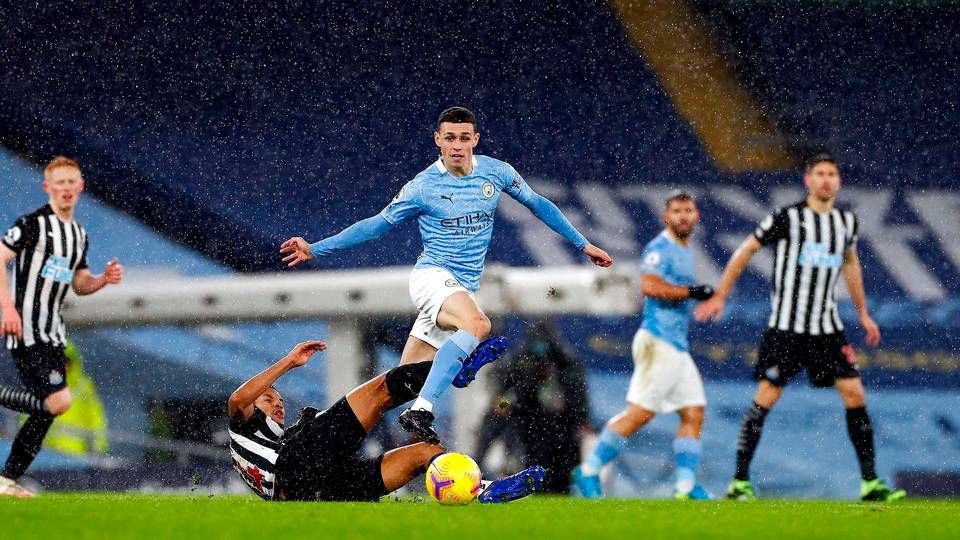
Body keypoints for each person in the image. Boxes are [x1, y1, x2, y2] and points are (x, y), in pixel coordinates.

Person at [280, 107, 613, 443]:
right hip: (432, 278)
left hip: (459, 290)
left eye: (464, 138)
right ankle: (424, 409)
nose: (457, 145)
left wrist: (583, 244)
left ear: (475, 140)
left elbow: (539, 204)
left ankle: (319, 427)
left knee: (395, 387)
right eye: (450, 138)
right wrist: (316, 248)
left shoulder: (496, 173)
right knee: (478, 325)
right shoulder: (423, 186)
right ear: (438, 140)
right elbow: (376, 225)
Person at [694, 154, 906, 502]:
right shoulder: (787, 217)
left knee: (854, 394)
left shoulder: (846, 222)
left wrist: (863, 313)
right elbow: (747, 249)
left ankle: (870, 484)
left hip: (827, 328)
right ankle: (739, 482)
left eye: (832, 174)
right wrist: (720, 295)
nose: (826, 180)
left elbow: (851, 264)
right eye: (819, 174)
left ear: (839, 182)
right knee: (766, 398)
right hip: (786, 329)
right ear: (808, 180)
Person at [227, 340, 544, 502]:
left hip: (310, 492)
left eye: (280, 400)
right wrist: (289, 362)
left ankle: (483, 490)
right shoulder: (244, 423)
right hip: (296, 472)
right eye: (269, 399)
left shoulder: (270, 441)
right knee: (382, 389)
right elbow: (238, 399)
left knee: (425, 452)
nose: (278, 404)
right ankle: (450, 372)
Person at [572, 190, 715, 500]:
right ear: (666, 217)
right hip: (658, 341)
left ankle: (685, 487)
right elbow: (649, 286)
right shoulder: (659, 248)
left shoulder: (685, 250)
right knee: (640, 414)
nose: (683, 216)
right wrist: (690, 292)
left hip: (676, 346)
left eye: (688, 210)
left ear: (696, 216)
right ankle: (588, 470)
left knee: (693, 412)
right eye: (677, 211)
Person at [0, 156, 123, 497]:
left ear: (80, 186)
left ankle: (6, 480)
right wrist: (7, 307)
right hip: (26, 328)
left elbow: (79, 283)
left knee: (48, 409)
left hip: (54, 333)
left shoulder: (78, 235)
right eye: (60, 182)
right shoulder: (32, 224)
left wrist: (102, 280)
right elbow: (0, 256)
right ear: (48, 187)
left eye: (72, 182)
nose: (67, 188)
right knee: (58, 403)